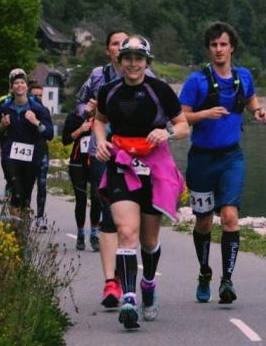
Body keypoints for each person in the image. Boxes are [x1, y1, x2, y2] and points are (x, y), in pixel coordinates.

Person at [93, 35, 188, 330]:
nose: (133, 64)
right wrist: (100, 142)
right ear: (120, 61)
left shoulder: (159, 90)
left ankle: (147, 284)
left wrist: (167, 133)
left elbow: (183, 125)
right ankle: (130, 298)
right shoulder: (109, 91)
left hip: (154, 166)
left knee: (148, 240)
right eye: (128, 58)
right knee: (125, 230)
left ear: (147, 62)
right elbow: (99, 119)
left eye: (139, 58)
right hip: (122, 163)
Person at [179, 21, 266, 304]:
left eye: (223, 45)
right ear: (209, 49)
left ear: (232, 48)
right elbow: (180, 118)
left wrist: (258, 110)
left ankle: (227, 281)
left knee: (229, 216)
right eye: (214, 45)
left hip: (231, 157)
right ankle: (204, 271)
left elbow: (251, 99)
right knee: (204, 221)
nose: (218, 50)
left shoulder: (243, 76)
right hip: (201, 160)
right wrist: (204, 115)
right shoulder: (197, 81)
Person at [76, 30, 128, 308]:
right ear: (108, 50)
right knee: (108, 207)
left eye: (124, 43)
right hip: (102, 150)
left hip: (132, 153)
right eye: (115, 44)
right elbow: (80, 102)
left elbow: (164, 112)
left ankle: (124, 272)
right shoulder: (98, 75)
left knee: (129, 218)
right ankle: (112, 280)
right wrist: (89, 110)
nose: (120, 48)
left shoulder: (144, 73)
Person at [0, 69, 53, 219]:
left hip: (31, 157)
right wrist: (3, 125)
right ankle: (14, 230)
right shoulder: (5, 108)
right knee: (16, 190)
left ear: (26, 87)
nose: (19, 85)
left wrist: (35, 122)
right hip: (10, 155)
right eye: (16, 83)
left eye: (22, 82)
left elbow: (50, 134)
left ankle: (22, 232)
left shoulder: (38, 109)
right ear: (11, 88)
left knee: (25, 196)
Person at [62, 98, 101, 251]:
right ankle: (80, 235)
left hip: (97, 162)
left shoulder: (102, 119)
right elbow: (65, 140)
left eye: (94, 104)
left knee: (97, 199)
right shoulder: (74, 118)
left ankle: (94, 234)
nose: (90, 107)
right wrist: (80, 130)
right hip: (78, 163)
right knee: (81, 200)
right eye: (88, 104)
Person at [29, 81, 51, 230]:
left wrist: (37, 123)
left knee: (42, 185)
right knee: (26, 185)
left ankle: (40, 217)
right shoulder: (24, 109)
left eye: (40, 96)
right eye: (35, 95)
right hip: (27, 152)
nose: (38, 98)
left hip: (42, 150)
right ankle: (23, 215)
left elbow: (50, 134)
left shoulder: (44, 111)